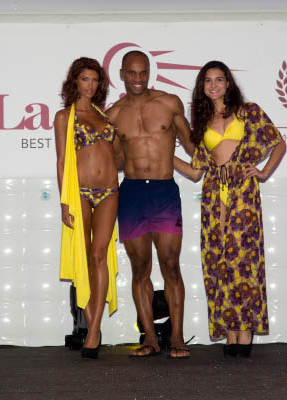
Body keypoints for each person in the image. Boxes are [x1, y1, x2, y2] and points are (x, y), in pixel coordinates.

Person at [174, 60, 286, 357]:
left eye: (219, 79)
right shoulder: (203, 122)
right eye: (208, 80)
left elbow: (278, 144)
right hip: (214, 196)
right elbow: (196, 171)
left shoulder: (249, 112)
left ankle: (244, 331)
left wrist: (263, 172)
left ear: (228, 83)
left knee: (243, 260)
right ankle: (229, 332)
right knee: (218, 261)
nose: (213, 85)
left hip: (243, 193)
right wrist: (163, 155)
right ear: (202, 86)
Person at [107, 50, 194, 359]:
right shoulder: (114, 115)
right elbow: (116, 161)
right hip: (132, 193)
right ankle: (149, 339)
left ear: (149, 73)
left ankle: (177, 338)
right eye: (132, 73)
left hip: (163, 192)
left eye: (143, 72)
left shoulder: (169, 103)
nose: (138, 79)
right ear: (122, 74)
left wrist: (217, 159)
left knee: (170, 264)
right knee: (140, 267)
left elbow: (192, 145)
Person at [55, 57, 119, 359]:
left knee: (99, 256)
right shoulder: (64, 117)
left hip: (110, 191)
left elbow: (117, 155)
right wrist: (64, 201)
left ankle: (93, 331)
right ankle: (93, 328)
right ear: (75, 82)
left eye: (95, 80)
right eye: (85, 79)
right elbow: (61, 161)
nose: (90, 85)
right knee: (84, 260)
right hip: (79, 192)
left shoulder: (104, 116)